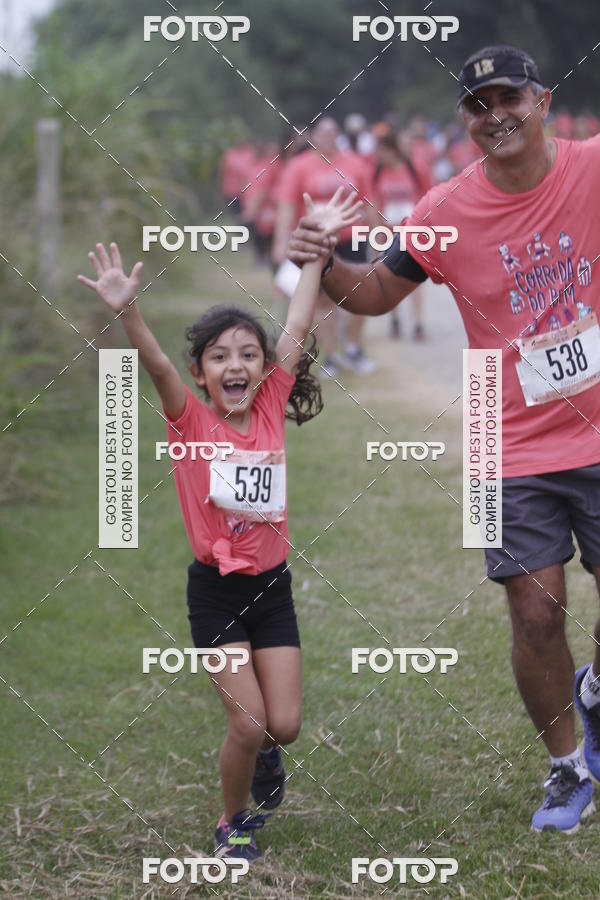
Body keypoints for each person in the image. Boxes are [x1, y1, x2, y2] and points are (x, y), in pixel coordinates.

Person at [287, 44, 600, 834]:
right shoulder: (442, 211)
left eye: (509, 97)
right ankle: (567, 769)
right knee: (535, 614)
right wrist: (322, 259)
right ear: (465, 121)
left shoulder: (594, 168)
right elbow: (378, 294)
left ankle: (592, 693)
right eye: (477, 104)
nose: (495, 114)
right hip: (502, 431)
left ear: (543, 99)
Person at [78, 189, 362, 859]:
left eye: (246, 355)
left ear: (265, 369)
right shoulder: (191, 421)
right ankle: (230, 824)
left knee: (283, 726)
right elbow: (151, 362)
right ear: (202, 376)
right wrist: (129, 311)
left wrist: (317, 246)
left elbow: (297, 318)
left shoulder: (268, 407)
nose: (235, 365)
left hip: (273, 588)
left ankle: (268, 755)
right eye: (218, 357)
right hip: (216, 593)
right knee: (249, 719)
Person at [273, 117, 377, 377]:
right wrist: (279, 241)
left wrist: (378, 235)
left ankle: (353, 348)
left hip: (351, 237)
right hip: (317, 240)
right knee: (322, 299)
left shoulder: (355, 164)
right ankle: (331, 357)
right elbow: (287, 205)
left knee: (360, 295)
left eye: (332, 132)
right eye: (322, 133)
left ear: (338, 135)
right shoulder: (299, 166)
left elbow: (369, 202)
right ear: (314, 137)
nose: (327, 138)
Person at [373, 129, 432, 340]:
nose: (378, 156)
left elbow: (429, 195)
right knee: (388, 278)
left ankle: (418, 324)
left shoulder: (414, 168)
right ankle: (395, 319)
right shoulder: (378, 172)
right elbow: (373, 202)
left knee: (413, 279)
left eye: (381, 151)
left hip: (411, 233)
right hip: (387, 233)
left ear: (391, 149)